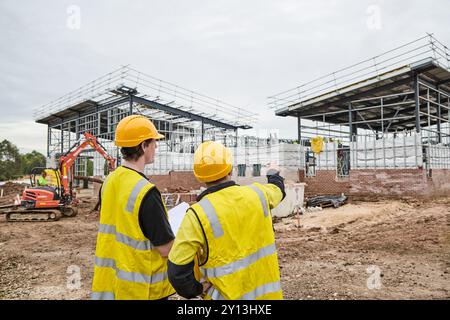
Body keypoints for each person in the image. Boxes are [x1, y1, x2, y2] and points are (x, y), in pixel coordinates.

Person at [167, 141, 286, 300]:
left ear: (199, 177)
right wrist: (273, 173)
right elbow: (278, 190)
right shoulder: (258, 194)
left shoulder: (197, 214)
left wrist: (197, 289)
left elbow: (178, 272)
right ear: (230, 169)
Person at [91, 115, 175, 300]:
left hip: (112, 284)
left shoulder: (110, 181)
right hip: (142, 290)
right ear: (143, 146)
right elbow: (165, 249)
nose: (156, 147)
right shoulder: (146, 192)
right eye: (153, 142)